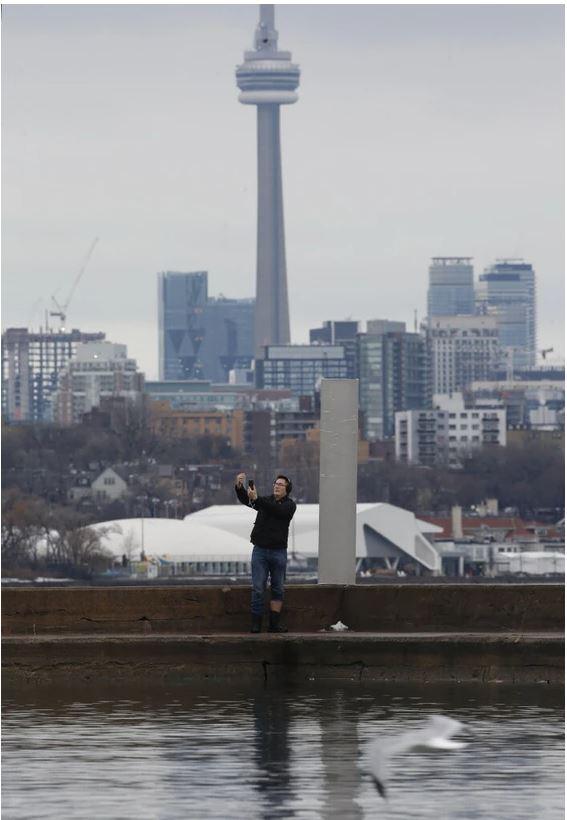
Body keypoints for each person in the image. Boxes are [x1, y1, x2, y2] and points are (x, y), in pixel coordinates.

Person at [235, 472, 297, 633]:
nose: (276, 486)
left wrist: (257, 499)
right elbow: (248, 501)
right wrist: (240, 488)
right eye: (275, 483)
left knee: (278, 588)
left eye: (281, 484)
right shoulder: (265, 501)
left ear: (287, 489)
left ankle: (274, 625)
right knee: (257, 587)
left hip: (278, 552)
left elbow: (277, 511)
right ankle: (256, 625)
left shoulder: (290, 505)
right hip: (260, 550)